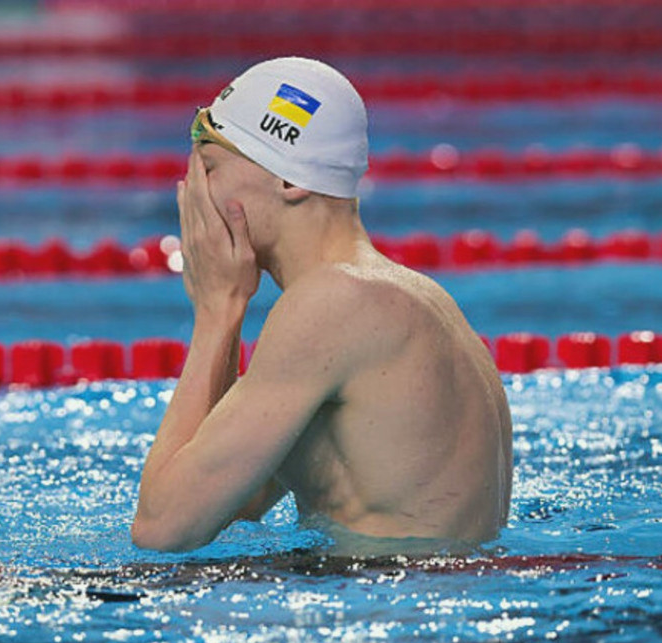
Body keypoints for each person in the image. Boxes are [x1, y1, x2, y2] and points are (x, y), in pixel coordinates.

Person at [131, 57, 512, 557]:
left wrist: (216, 312)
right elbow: (226, 503)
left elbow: (162, 529)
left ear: (290, 181)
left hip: (387, 599)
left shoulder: (336, 303)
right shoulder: (402, 297)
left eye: (209, 169)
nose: (192, 194)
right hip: (406, 589)